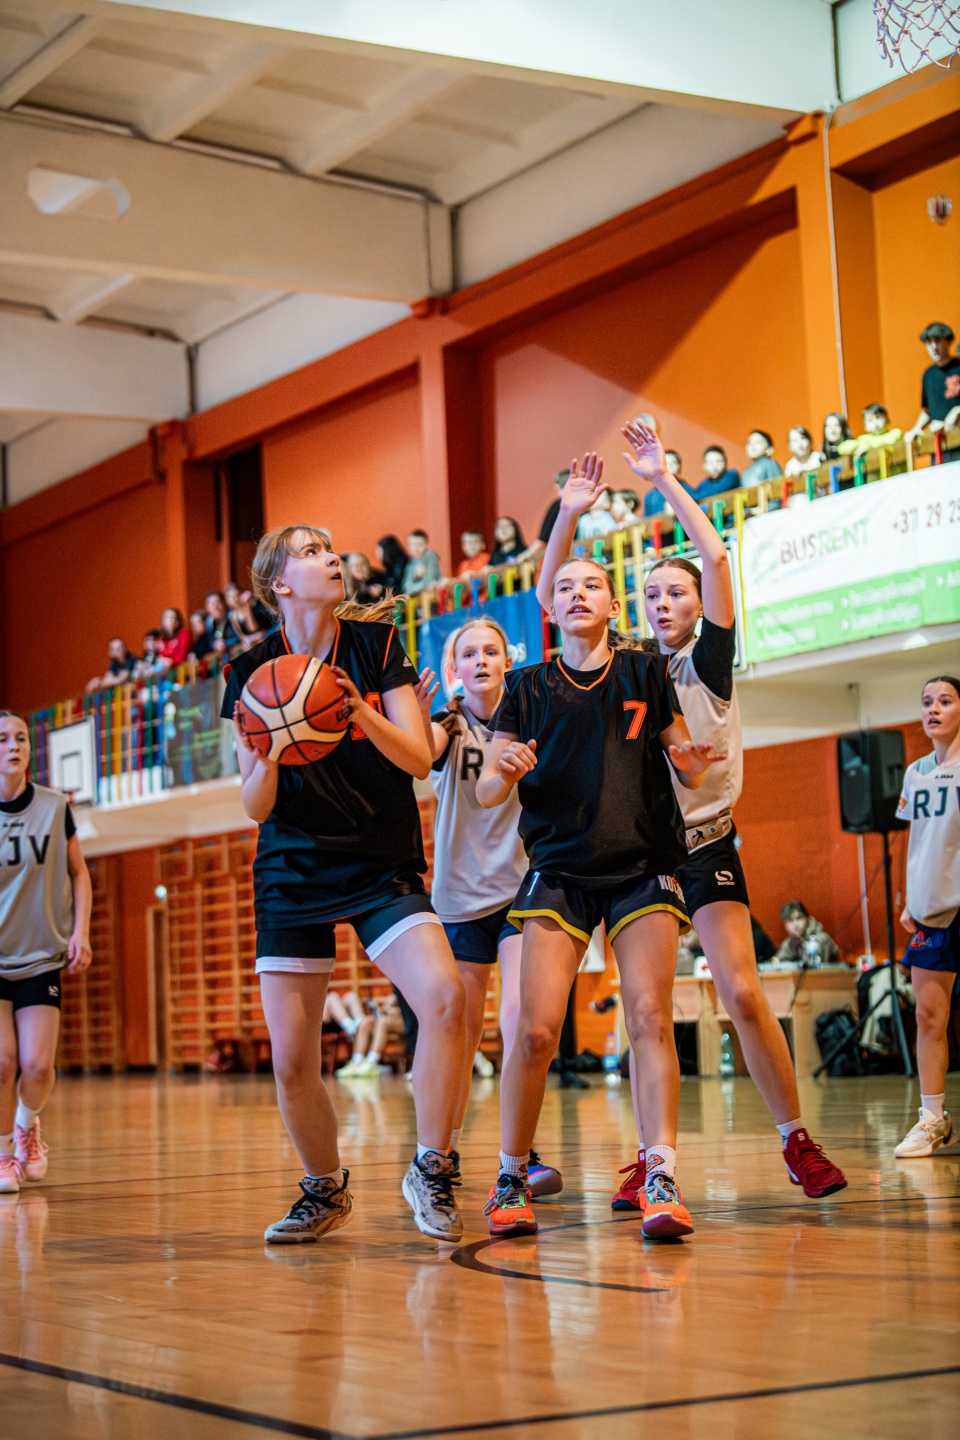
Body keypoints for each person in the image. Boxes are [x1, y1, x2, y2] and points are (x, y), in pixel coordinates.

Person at [478, 454, 723, 1242]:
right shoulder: (525, 687)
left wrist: (690, 761)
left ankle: (661, 1175)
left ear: (613, 604)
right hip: (558, 872)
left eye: (591, 584)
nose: (577, 592)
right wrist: (504, 770)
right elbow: (487, 793)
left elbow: (682, 753)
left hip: (641, 868)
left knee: (650, 1015)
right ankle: (510, 1175)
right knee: (535, 1031)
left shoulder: (645, 671)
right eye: (565, 586)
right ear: (550, 607)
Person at [612, 420, 846, 1208]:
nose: (664, 603)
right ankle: (651, 1158)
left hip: (709, 844)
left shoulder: (706, 660)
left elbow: (714, 557)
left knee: (743, 993)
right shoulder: (632, 669)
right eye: (652, 595)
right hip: (646, 854)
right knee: (646, 1009)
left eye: (675, 592)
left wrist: (660, 479)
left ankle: (797, 1141)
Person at [222, 525, 466, 1244]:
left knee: (446, 998)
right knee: (293, 1062)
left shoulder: (376, 647)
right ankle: (323, 1189)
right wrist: (273, 742)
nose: (331, 557)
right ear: (280, 584)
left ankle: (431, 1167)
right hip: (293, 868)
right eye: (310, 552)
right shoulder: (250, 671)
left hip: (377, 859)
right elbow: (254, 805)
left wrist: (354, 708)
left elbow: (418, 757)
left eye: (330, 548)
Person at [416, 619, 561, 1200]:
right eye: (469, 653)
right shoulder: (445, 725)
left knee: (523, 1018)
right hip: (459, 895)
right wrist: (411, 717)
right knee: (463, 1031)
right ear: (455, 668)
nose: (480, 660)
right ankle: (442, 1151)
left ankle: (519, 1155)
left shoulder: (530, 718)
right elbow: (419, 754)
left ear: (508, 660)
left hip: (522, 884)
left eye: (491, 651)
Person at [0, 711, 92, 1194]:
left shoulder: (55, 807)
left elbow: (79, 872)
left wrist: (81, 932)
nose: (13, 746)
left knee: (37, 1066)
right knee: (2, 1062)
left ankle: (26, 1124)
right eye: (2, 739)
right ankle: (1, 1153)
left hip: (40, 954)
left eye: (20, 738)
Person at [894, 675, 960, 1157]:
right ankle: (933, 1120)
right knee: (928, 1015)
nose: (933, 709)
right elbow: (916, 840)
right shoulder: (916, 771)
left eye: (945, 701)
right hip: (931, 911)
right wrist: (908, 899)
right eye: (926, 702)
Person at [904, 323, 960, 463]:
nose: (933, 347)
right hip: (940, 445)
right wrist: (916, 429)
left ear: (948, 341)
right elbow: (927, 410)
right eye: (929, 343)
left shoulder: (958, 366)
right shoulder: (928, 374)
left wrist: (957, 411)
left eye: (938, 341)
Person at [330, 989, 403, 1078]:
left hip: (403, 1020)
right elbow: (387, 1008)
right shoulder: (395, 990)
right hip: (388, 1017)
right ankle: (357, 1062)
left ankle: (371, 1062)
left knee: (382, 1022)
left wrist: (393, 1010)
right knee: (365, 1023)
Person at [776, 901, 840, 966]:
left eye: (799, 918)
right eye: (790, 921)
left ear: (807, 918)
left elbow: (815, 968)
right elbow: (778, 963)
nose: (795, 925)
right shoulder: (790, 942)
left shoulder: (821, 939)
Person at [226, 582, 272, 649]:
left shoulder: (254, 605)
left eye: (237, 595)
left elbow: (253, 628)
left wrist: (247, 606)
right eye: (231, 597)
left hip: (267, 633)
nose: (235, 599)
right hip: (253, 640)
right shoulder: (232, 615)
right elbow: (242, 637)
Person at [203, 591, 243, 659]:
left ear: (224, 603)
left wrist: (226, 643)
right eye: (212, 604)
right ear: (207, 608)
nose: (215, 606)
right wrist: (215, 645)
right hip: (224, 658)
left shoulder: (231, 616)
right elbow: (210, 642)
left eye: (217, 602)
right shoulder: (209, 622)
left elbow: (241, 637)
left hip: (239, 653)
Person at [402, 530, 442, 596]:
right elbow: (406, 586)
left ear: (426, 545)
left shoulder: (430, 556)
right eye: (413, 544)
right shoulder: (412, 562)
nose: (416, 549)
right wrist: (416, 576)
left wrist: (411, 589)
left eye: (419, 545)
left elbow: (429, 583)